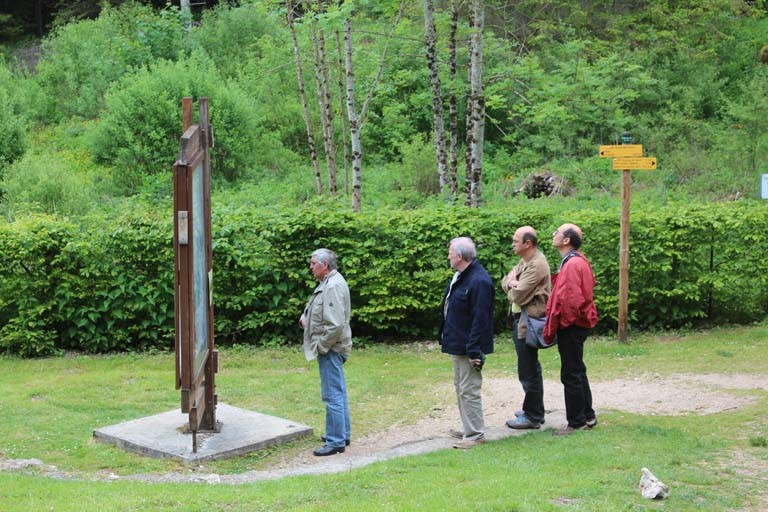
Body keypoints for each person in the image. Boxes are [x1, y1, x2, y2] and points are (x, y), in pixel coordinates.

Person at [439, 237, 495, 449]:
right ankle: (469, 428)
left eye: (450, 253)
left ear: (460, 256)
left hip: (468, 346)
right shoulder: (462, 277)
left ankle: (475, 435)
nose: (448, 257)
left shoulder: (479, 281)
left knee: (469, 389)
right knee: (461, 387)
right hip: (458, 343)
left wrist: (474, 350)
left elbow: (481, 319)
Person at [544, 224, 599, 436]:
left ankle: (576, 422)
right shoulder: (577, 261)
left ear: (566, 240)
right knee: (577, 369)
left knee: (571, 373)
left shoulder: (573, 264)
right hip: (577, 324)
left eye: (557, 232)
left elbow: (571, 299)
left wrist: (563, 323)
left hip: (572, 325)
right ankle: (587, 415)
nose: (553, 234)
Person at [299, 248, 352, 456]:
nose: (311, 267)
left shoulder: (332, 286)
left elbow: (335, 324)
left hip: (331, 348)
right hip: (334, 346)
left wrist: (322, 346)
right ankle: (341, 434)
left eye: (313, 263)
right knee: (338, 392)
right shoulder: (330, 282)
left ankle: (336, 441)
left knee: (332, 395)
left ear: (325, 265)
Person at [501, 226, 551, 430]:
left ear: (527, 243)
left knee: (528, 370)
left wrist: (513, 284)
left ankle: (532, 416)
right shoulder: (525, 261)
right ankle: (535, 410)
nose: (512, 244)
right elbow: (506, 281)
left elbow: (518, 295)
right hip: (522, 321)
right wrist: (512, 282)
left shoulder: (537, 264)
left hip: (528, 323)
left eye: (516, 241)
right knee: (530, 367)